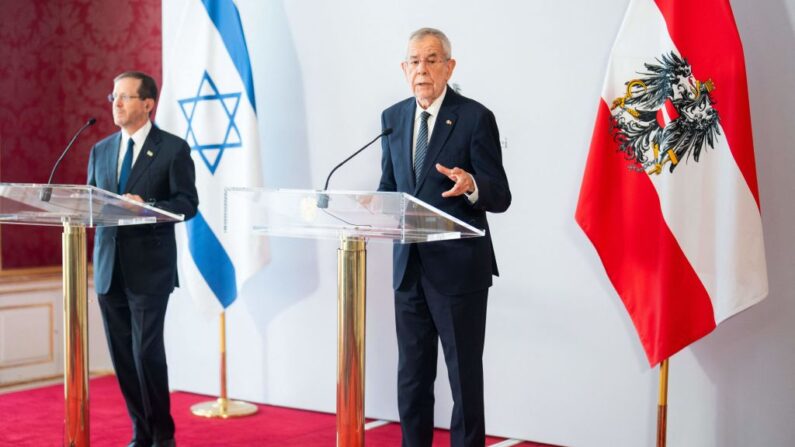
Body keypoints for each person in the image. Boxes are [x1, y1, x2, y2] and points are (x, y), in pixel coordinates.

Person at [378, 28, 511, 446]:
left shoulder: (474, 117)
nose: (422, 69)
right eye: (415, 61)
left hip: (459, 274)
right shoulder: (393, 119)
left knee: (463, 381)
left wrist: (472, 184)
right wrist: (372, 207)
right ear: (404, 70)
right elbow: (389, 186)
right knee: (412, 379)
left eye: (432, 59)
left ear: (449, 67)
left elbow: (500, 194)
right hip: (409, 271)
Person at [87, 71, 198, 447]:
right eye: (113, 96)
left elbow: (187, 205)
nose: (115, 103)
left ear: (147, 104)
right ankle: (141, 431)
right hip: (108, 268)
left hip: (149, 270)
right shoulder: (100, 150)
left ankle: (162, 435)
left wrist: (147, 207)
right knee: (121, 356)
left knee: (145, 352)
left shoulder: (172, 148)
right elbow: (90, 204)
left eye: (125, 97)